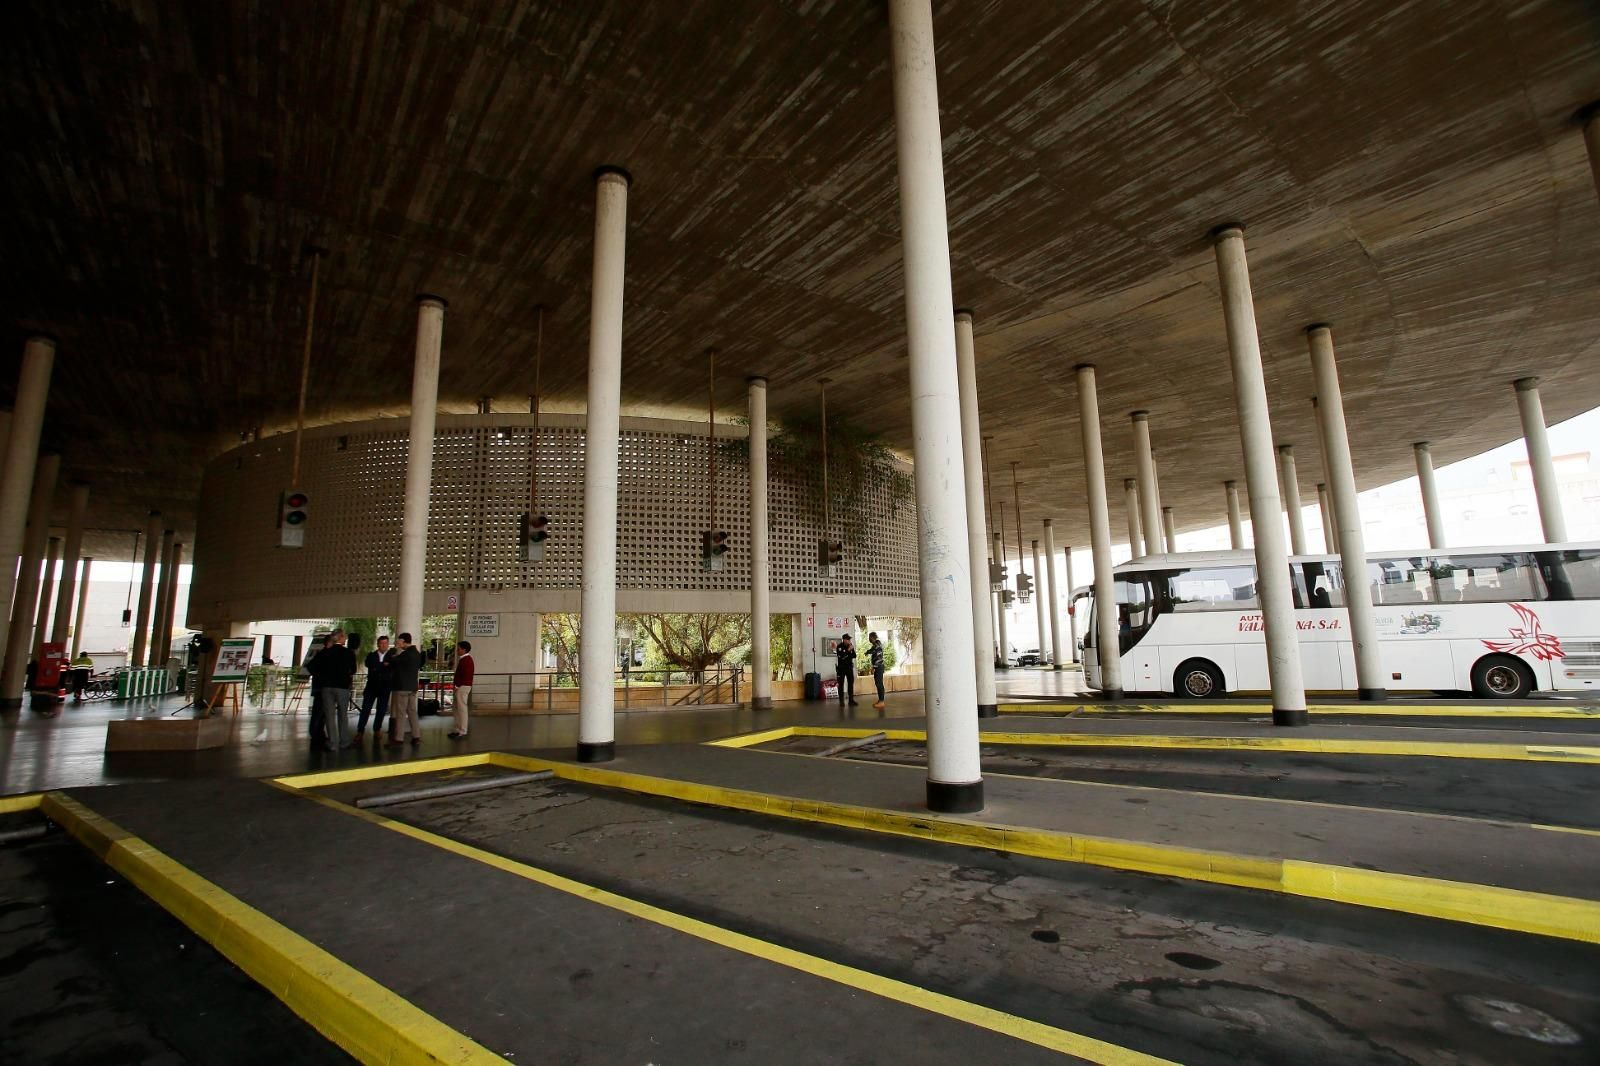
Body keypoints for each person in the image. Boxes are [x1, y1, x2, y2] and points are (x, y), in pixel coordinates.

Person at [307, 629, 356, 750]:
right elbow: (353, 670)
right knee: (342, 714)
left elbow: (311, 666)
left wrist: (321, 676)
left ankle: (332, 743)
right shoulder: (348, 653)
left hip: (326, 687)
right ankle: (344, 741)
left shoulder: (325, 652)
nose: (345, 638)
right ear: (340, 638)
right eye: (344, 636)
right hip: (342, 687)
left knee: (329, 715)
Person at [387, 632, 424, 747]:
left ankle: (399, 739)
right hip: (412, 687)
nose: (398, 643)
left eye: (399, 641)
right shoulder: (417, 654)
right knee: (412, 712)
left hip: (402, 687)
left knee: (401, 713)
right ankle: (416, 736)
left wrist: (394, 650)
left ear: (403, 641)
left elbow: (390, 661)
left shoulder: (405, 654)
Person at [356, 635, 394, 743]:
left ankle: (377, 729)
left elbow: (390, 667)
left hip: (385, 687)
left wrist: (378, 667)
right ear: (378, 644)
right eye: (381, 643)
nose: (383, 645)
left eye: (385, 643)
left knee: (381, 710)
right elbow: (369, 665)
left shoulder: (391, 657)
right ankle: (360, 731)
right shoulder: (371, 655)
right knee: (366, 709)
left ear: (387, 644)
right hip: (371, 687)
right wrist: (383, 666)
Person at [449, 640, 474, 739]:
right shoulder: (464, 659)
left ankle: (462, 730)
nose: (457, 651)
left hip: (463, 687)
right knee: (456, 708)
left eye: (458, 649)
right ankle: (457, 729)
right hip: (460, 686)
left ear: (464, 650)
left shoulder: (467, 660)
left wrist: (457, 685)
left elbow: (465, 675)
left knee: (462, 709)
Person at [834, 633, 857, 707]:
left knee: (850, 684)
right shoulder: (839, 647)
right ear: (844, 640)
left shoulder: (850, 646)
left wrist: (850, 649)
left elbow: (854, 655)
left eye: (849, 639)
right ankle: (841, 701)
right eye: (848, 639)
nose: (849, 641)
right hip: (841, 669)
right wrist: (848, 651)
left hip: (849, 668)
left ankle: (851, 700)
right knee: (841, 684)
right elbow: (842, 657)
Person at [866, 632, 887, 709]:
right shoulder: (876, 645)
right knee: (878, 683)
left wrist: (873, 667)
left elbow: (878, 659)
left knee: (879, 684)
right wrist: (867, 652)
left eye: (869, 637)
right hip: (878, 667)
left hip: (879, 667)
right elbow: (872, 650)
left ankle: (882, 701)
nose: (869, 639)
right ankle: (880, 700)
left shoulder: (877, 646)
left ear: (872, 637)